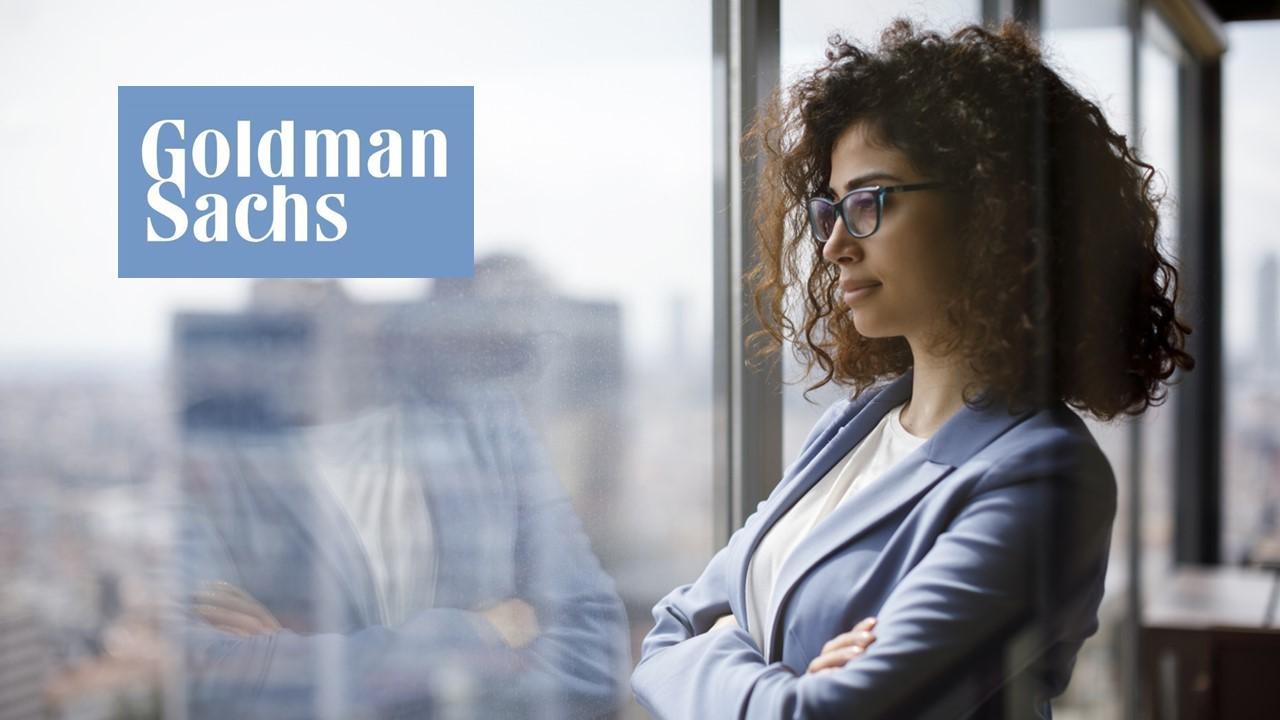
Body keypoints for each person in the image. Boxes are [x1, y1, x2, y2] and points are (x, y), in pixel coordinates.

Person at [631, 17, 1193, 720]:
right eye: (829, 209)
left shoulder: (1047, 476)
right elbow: (665, 637)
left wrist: (727, 648)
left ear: (993, 207)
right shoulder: (850, 431)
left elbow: (825, 712)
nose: (834, 244)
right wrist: (782, 681)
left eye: (868, 202)